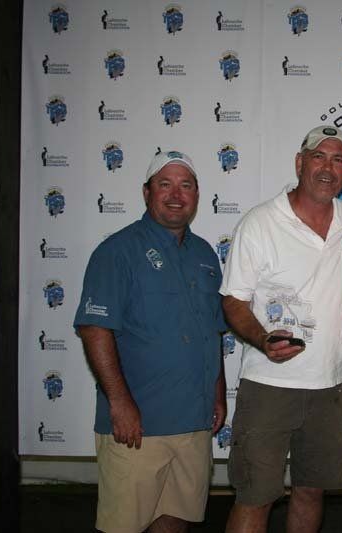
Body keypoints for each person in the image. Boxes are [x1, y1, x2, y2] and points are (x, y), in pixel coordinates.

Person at [74, 150, 227, 533]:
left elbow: (213, 331)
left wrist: (218, 392)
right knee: (123, 526)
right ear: (147, 192)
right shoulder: (117, 251)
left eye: (185, 185)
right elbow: (95, 329)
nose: (176, 194)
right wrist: (120, 403)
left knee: (176, 521)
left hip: (193, 423)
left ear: (197, 194)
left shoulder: (206, 254)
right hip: (138, 425)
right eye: (165, 184)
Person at [221, 126, 342, 533]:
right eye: (318, 157)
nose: (327, 168)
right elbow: (233, 301)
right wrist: (263, 339)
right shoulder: (260, 222)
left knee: (311, 490)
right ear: (300, 163)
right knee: (256, 496)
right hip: (270, 385)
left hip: (331, 385)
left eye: (338, 159)